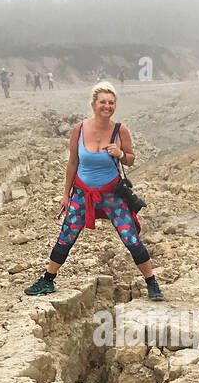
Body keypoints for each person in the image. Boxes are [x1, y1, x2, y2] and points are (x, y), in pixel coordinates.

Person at [24, 81, 163, 300]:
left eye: (111, 102)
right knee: (66, 235)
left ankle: (152, 283)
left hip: (113, 195)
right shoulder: (79, 130)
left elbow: (131, 159)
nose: (107, 106)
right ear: (93, 104)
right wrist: (65, 195)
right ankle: (48, 280)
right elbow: (72, 163)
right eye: (103, 102)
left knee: (131, 237)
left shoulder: (120, 130)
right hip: (82, 194)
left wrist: (119, 154)